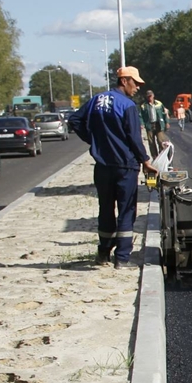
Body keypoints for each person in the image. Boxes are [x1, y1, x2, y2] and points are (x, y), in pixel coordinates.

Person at [68, 66, 155, 266]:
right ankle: (122, 258)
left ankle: (104, 252)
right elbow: (134, 137)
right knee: (126, 210)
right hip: (125, 166)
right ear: (124, 81)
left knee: (105, 209)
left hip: (102, 166)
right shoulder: (127, 105)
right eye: (135, 83)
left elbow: (74, 120)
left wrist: (94, 140)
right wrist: (146, 161)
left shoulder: (96, 101)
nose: (138, 88)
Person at [138, 90, 167, 157]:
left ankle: (163, 156)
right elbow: (140, 116)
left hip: (158, 125)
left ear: (153, 96)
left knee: (161, 141)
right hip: (149, 125)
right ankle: (155, 158)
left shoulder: (159, 104)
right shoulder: (143, 106)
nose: (150, 98)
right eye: (148, 96)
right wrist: (142, 123)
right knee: (151, 143)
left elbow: (164, 113)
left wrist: (166, 122)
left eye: (151, 96)